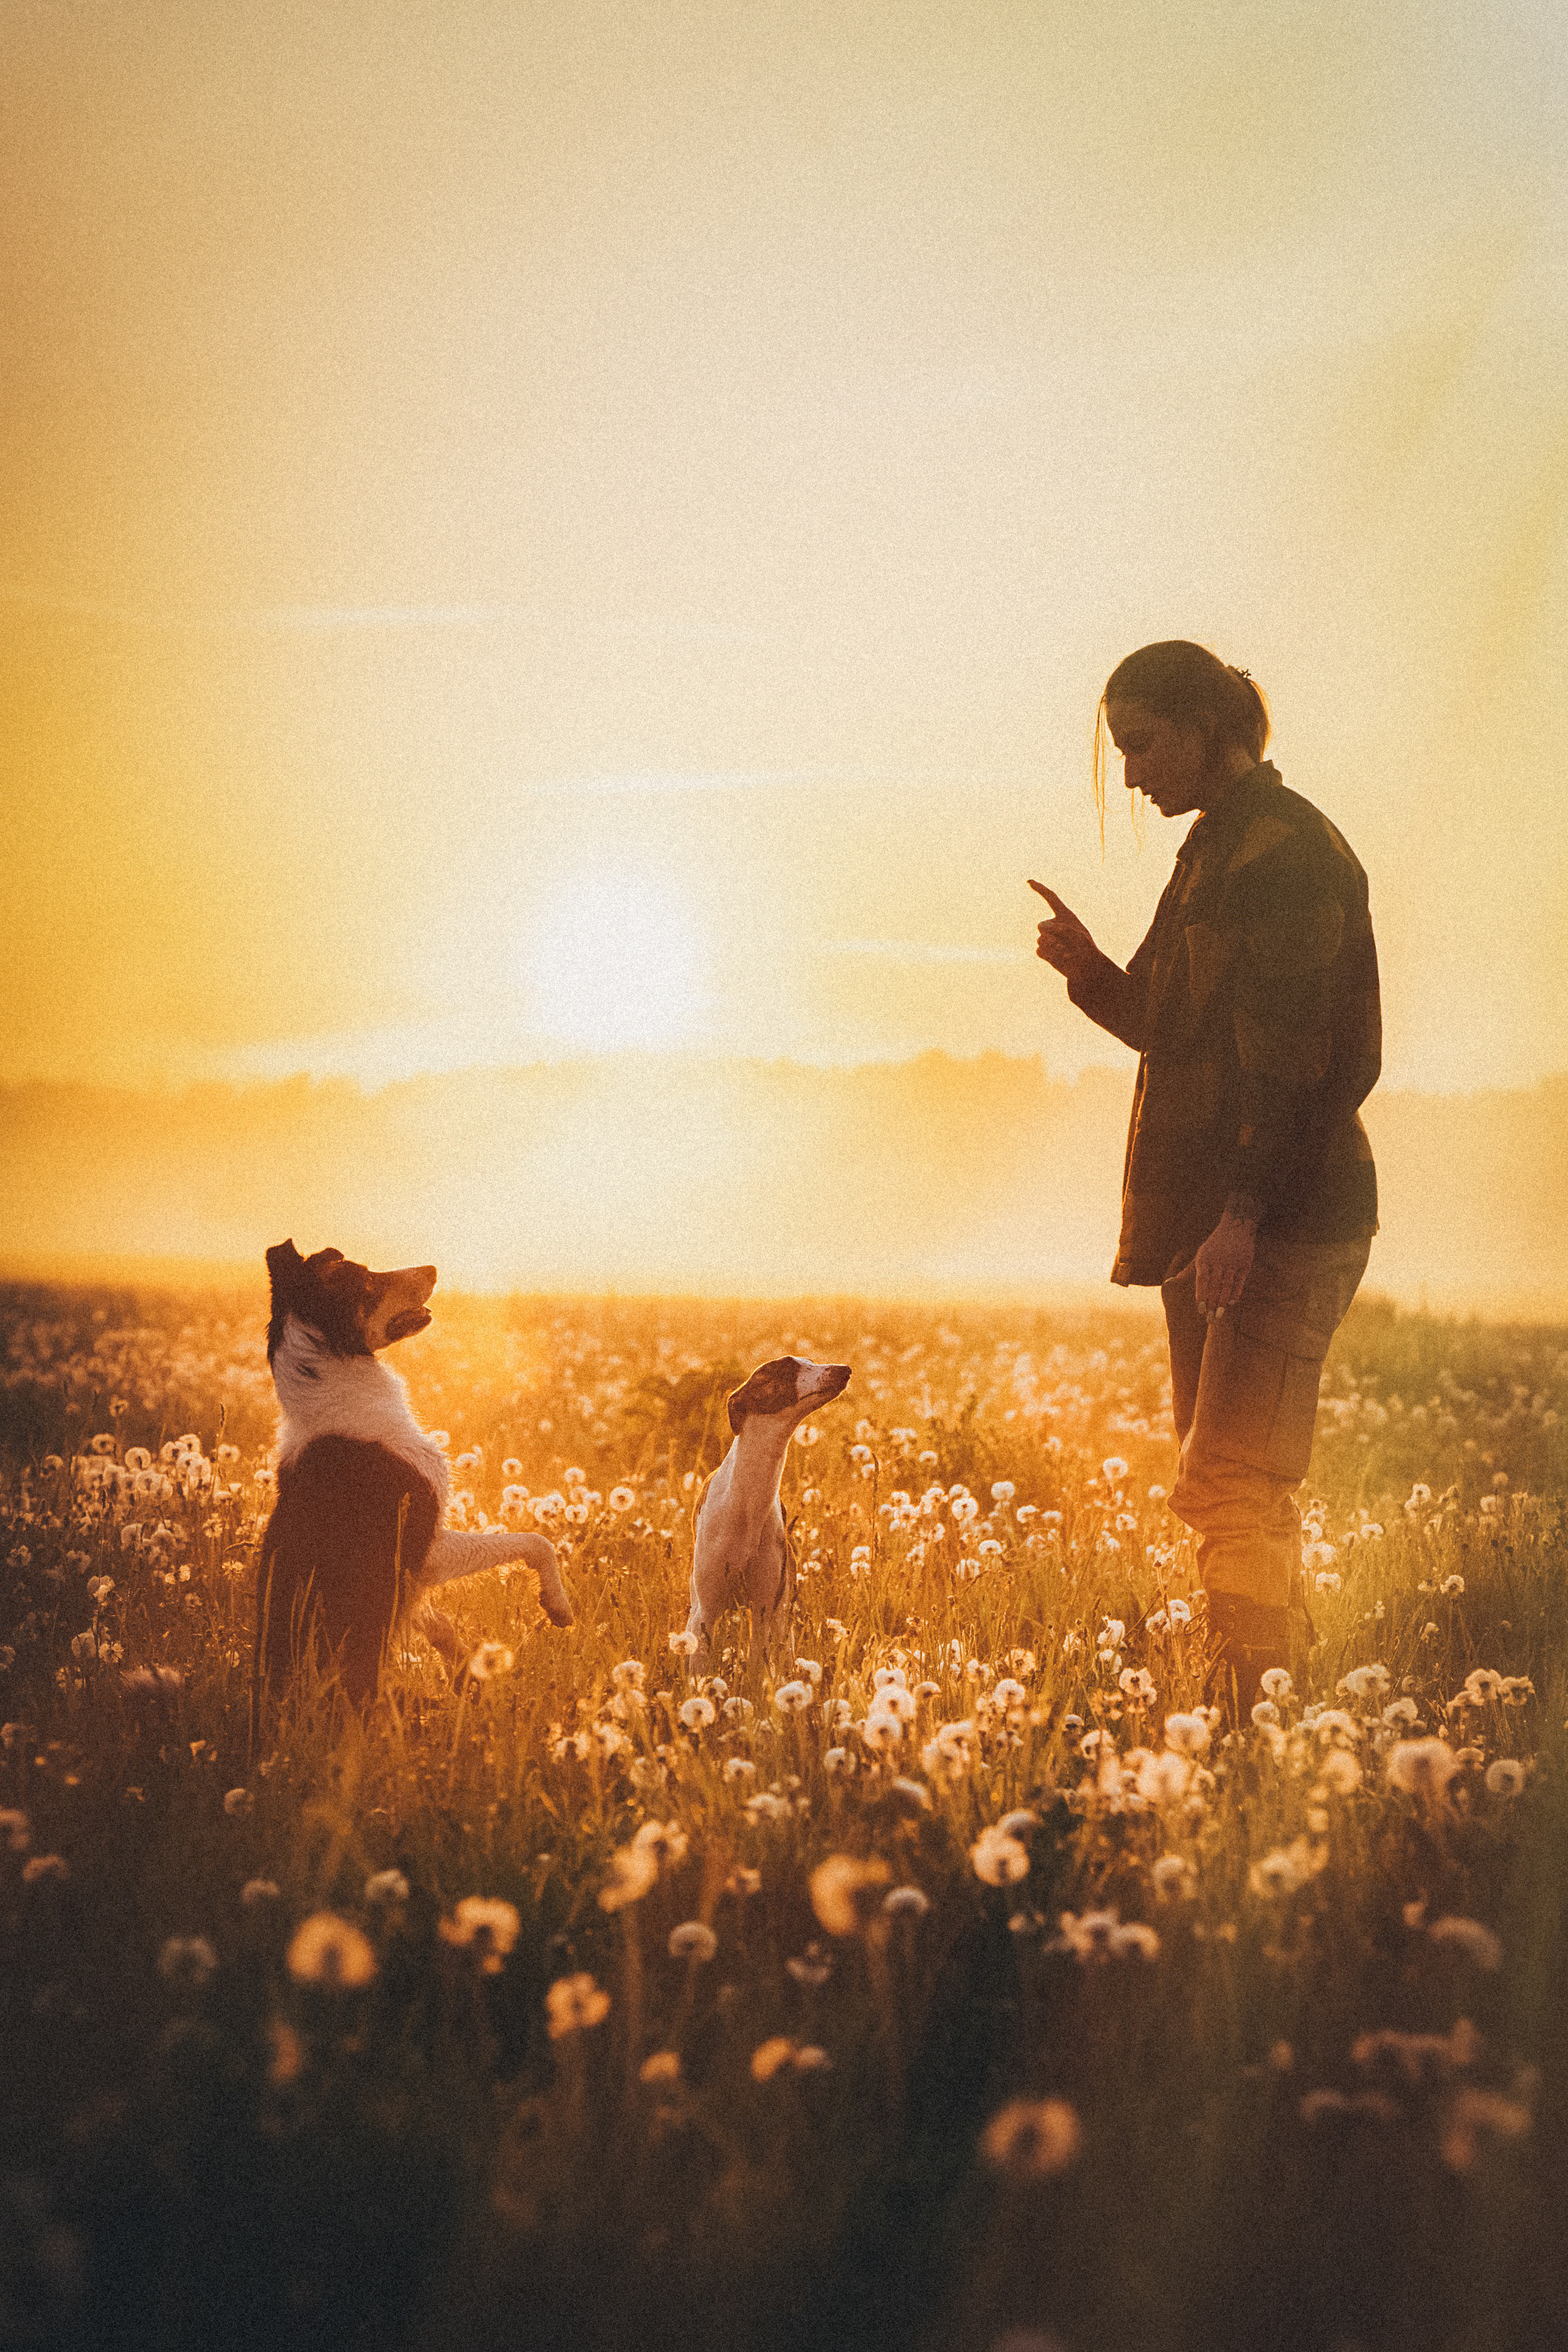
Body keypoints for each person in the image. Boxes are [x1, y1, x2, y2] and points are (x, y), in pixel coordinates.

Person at [1031, 640, 1381, 1712]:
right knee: (1234, 1472)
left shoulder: (1284, 853)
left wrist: (1242, 1215)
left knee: (1229, 1474)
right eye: (1121, 753)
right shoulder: (1219, 847)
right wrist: (1088, 969)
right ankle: (1268, 1707)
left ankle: (1246, 1710)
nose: (1133, 776)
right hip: (1216, 1218)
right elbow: (1168, 1022)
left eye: (1143, 746)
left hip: (1276, 1216)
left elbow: (1294, 1063)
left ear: (1205, 727)